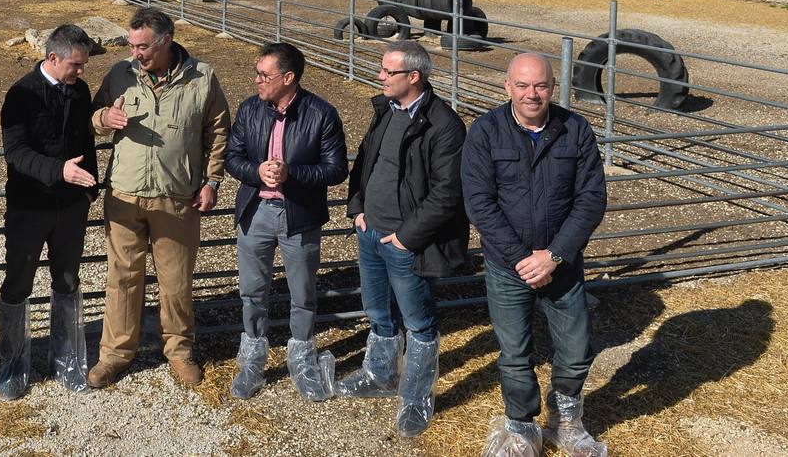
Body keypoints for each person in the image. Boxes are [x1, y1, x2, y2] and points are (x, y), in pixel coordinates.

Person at [462, 52, 607, 457]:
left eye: (540, 85)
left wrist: (555, 255)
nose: (532, 94)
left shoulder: (575, 129)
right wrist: (523, 260)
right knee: (514, 353)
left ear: (552, 87)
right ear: (507, 86)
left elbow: (591, 199)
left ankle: (565, 421)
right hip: (508, 266)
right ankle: (522, 427)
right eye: (522, 85)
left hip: (562, 264)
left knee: (577, 348)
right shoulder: (486, 131)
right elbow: (479, 203)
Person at [87, 6, 231, 389]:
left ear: (166, 40)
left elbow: (218, 134)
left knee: (176, 281)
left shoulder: (202, 78)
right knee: (122, 278)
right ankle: (115, 355)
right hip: (124, 195)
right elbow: (91, 116)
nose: (136, 52)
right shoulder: (120, 74)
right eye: (132, 45)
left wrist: (212, 181)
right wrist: (104, 120)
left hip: (177, 197)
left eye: (143, 46)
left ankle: (180, 353)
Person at [336, 40, 469, 438]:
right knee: (378, 312)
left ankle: (416, 398)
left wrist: (405, 238)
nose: (380, 76)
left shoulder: (443, 125)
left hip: (405, 242)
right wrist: (357, 209)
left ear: (414, 77)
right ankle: (380, 376)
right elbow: (365, 162)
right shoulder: (386, 110)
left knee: (419, 322)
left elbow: (447, 192)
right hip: (370, 230)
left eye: (387, 71)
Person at [223, 42, 347, 401]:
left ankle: (303, 359)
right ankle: (252, 359)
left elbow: (336, 169)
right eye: (258, 73)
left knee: (303, 292)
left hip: (300, 216)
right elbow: (233, 157)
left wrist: (292, 173)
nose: (257, 80)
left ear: (288, 78)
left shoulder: (322, 113)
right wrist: (257, 170)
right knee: (252, 290)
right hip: (256, 212)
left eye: (265, 75)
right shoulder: (250, 109)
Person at [0, 24, 99, 399]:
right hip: (30, 205)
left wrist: (91, 187)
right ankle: (12, 364)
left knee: (67, 280)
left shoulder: (80, 90)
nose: (81, 72)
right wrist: (59, 171)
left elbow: (86, 141)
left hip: (71, 205)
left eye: (84, 64)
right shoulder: (20, 95)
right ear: (52, 58)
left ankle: (67, 359)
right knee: (18, 283)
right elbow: (16, 152)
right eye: (76, 64)